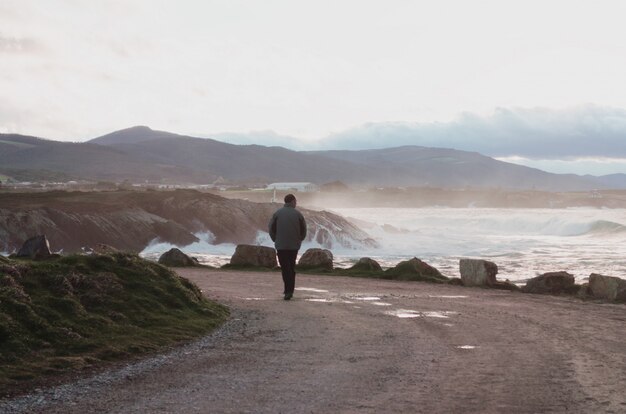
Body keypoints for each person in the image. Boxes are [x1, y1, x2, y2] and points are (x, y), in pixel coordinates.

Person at [268, 193, 307, 300]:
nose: (296, 203)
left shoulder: (277, 213)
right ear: (292, 202)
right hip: (294, 246)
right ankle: (290, 290)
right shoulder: (298, 214)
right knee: (291, 267)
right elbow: (304, 229)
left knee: (285, 268)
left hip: (281, 246)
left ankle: (287, 291)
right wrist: (300, 239)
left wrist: (275, 239)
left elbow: (271, 228)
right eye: (296, 201)